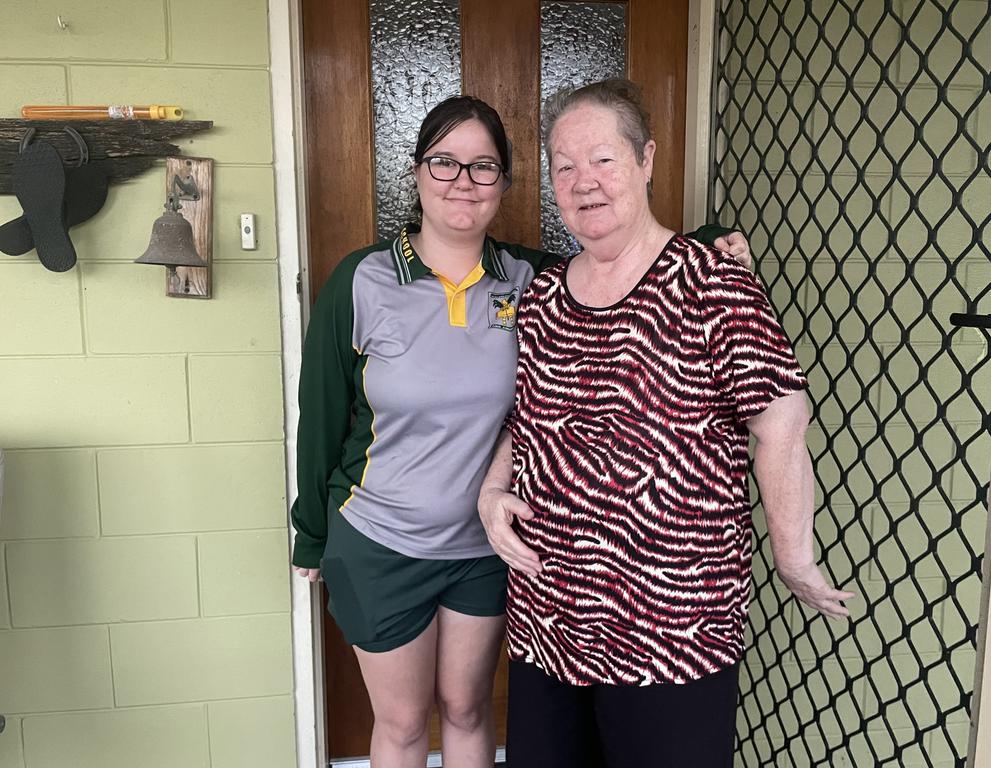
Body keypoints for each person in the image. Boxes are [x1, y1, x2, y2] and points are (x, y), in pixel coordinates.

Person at [290, 94, 752, 768]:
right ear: (416, 173)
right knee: (402, 724)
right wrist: (311, 531)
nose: (462, 181)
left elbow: (629, 263)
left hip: (487, 547)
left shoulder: (531, 279)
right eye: (444, 162)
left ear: (504, 184)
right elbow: (321, 414)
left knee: (471, 709)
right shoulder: (362, 281)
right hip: (382, 542)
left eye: (483, 167)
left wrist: (708, 246)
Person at [477, 79, 855, 768]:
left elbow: (782, 421)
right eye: (565, 165)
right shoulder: (542, 301)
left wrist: (792, 552)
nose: (583, 181)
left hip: (672, 631)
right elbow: (525, 417)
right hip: (550, 623)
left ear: (646, 160)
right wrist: (489, 492)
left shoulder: (714, 284)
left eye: (603, 159)